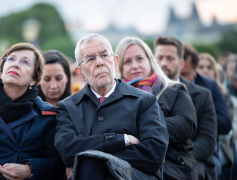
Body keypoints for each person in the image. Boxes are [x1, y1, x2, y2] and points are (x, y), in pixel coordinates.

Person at [54, 34, 169, 180]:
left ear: (115, 62)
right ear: (80, 72)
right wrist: (120, 140)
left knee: (89, 163)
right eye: (90, 58)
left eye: (104, 55)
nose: (100, 62)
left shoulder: (144, 101)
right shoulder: (68, 107)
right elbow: (67, 150)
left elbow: (154, 154)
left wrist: (95, 159)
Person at [0, 43, 65, 180]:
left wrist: (29, 169)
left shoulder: (47, 115)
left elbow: (56, 162)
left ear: (34, 79)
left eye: (25, 62)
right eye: (11, 59)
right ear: (2, 69)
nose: (15, 64)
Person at [115, 37, 197, 180]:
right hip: (129, 165)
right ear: (120, 68)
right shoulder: (113, 98)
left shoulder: (174, 89)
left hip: (172, 167)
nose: (135, 65)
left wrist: (139, 130)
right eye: (127, 61)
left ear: (150, 61)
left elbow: (185, 125)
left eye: (139, 58)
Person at [153, 36, 217, 180]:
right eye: (159, 57)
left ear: (181, 63)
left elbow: (207, 141)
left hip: (193, 160)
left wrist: (180, 156)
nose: (163, 63)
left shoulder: (203, 95)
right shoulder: (146, 91)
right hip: (156, 160)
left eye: (170, 58)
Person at [182, 44, 231, 179]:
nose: (182, 80)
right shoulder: (164, 86)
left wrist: (204, 118)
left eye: (185, 74)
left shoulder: (209, 87)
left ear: (194, 71)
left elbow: (226, 123)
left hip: (205, 149)